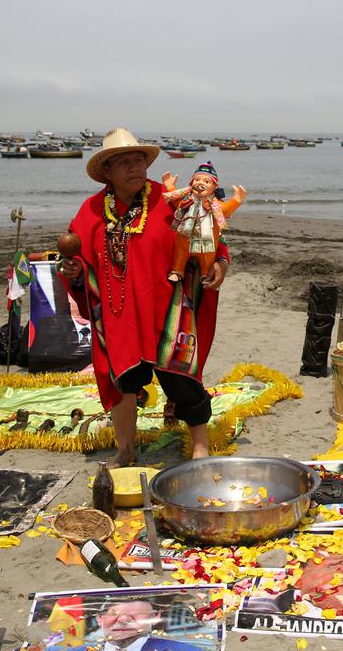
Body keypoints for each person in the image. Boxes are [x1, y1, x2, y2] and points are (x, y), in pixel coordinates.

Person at [59, 128, 230, 466]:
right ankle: (126, 448)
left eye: (139, 160)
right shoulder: (92, 210)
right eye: (124, 162)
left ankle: (201, 445)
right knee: (123, 380)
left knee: (182, 379)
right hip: (119, 314)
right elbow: (77, 260)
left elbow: (206, 231)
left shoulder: (170, 199)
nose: (134, 168)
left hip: (169, 309)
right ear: (107, 171)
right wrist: (75, 274)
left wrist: (221, 262)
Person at [162, 161, 246, 283]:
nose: (200, 183)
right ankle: (178, 270)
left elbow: (225, 210)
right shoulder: (186, 200)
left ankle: (205, 273)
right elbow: (176, 201)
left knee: (207, 255)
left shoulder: (215, 205)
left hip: (207, 242)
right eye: (197, 180)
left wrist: (237, 200)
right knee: (181, 252)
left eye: (206, 182)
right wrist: (170, 185)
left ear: (214, 187)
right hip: (184, 239)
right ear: (191, 183)